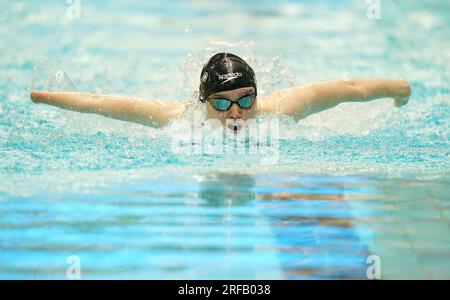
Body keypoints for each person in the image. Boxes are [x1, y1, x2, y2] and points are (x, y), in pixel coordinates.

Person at [30, 52, 411, 130]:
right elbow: (100, 104)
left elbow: (348, 88)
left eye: (246, 99)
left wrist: (399, 89)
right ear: (203, 102)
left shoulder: (280, 110)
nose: (235, 114)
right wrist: (43, 97)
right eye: (222, 104)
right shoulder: (176, 119)